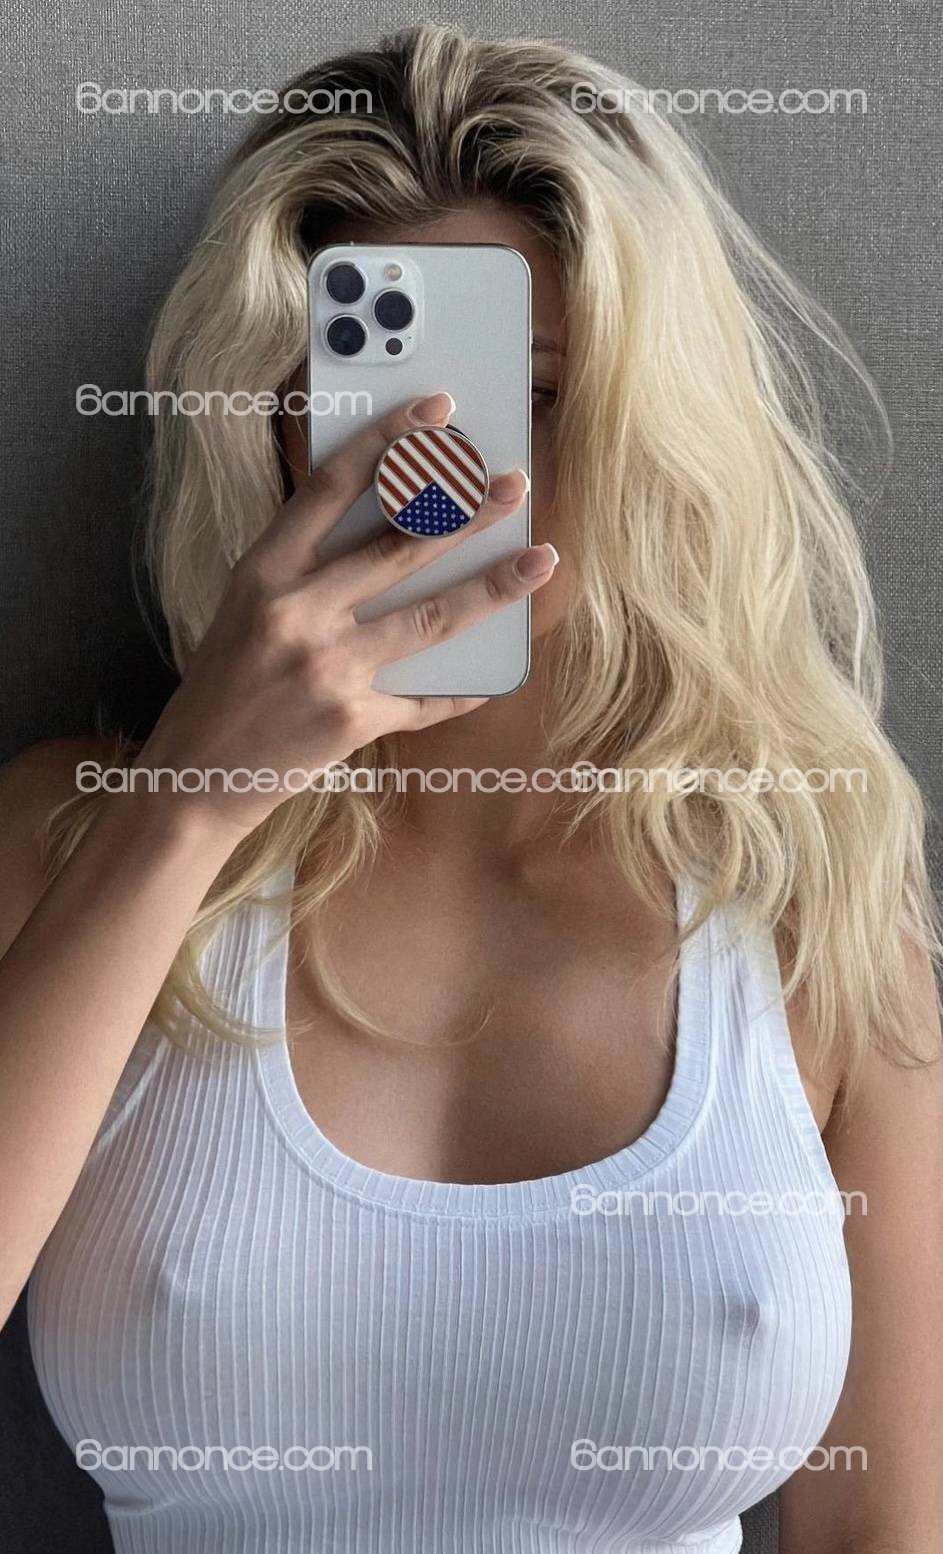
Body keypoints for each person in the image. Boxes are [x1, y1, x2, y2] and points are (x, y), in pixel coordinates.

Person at [2, 21, 941, 1554]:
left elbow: (880, 1528)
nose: (434, 481)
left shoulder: (810, 883)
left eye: (530, 396)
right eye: (367, 396)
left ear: (649, 421)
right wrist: (193, 801)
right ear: (270, 418)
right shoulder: (72, 836)